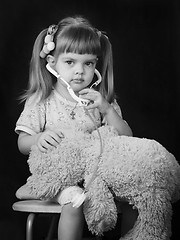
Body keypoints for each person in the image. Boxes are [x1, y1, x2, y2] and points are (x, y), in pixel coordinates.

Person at [15, 15, 180, 240]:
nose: (80, 71)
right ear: (52, 63)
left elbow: (126, 138)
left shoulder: (100, 102)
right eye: (70, 62)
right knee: (74, 202)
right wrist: (38, 139)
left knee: (133, 198)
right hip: (59, 179)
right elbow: (22, 143)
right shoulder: (42, 100)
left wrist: (107, 110)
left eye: (89, 63)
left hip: (97, 177)